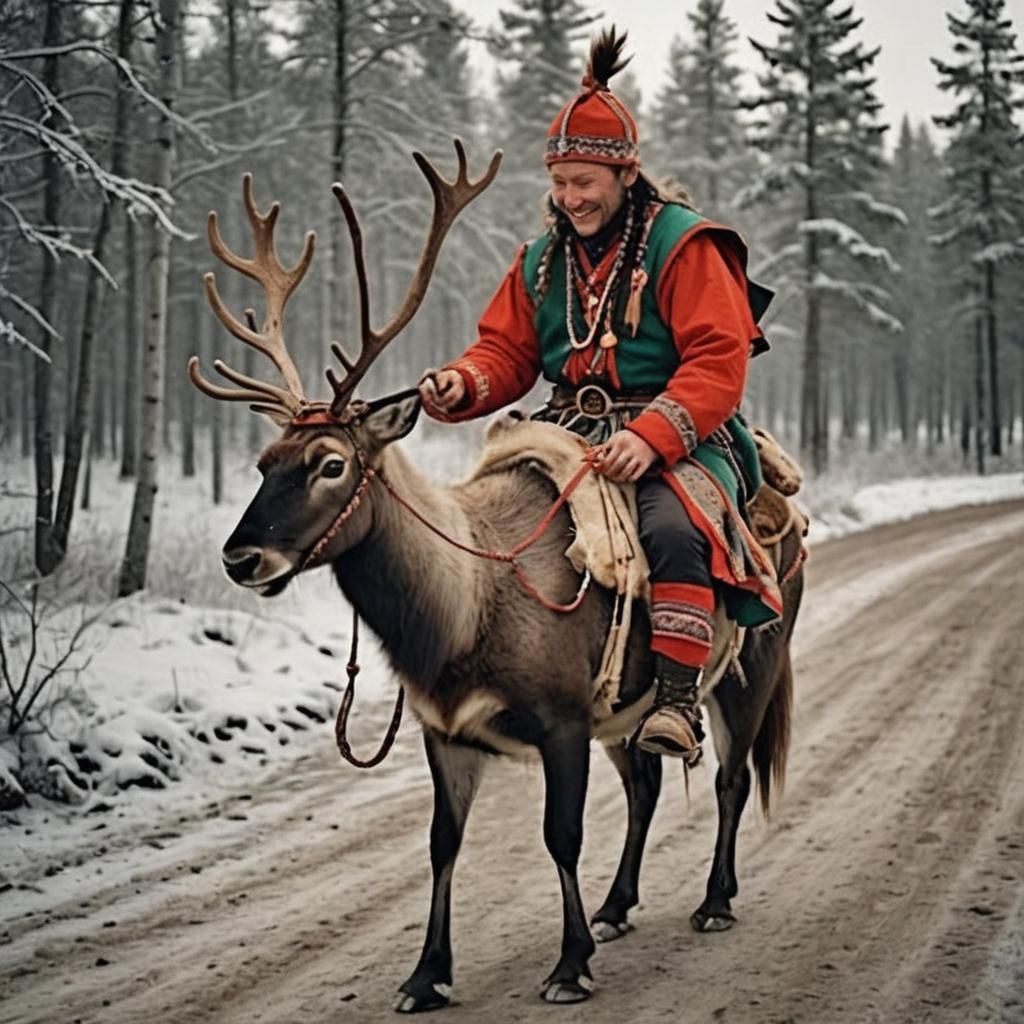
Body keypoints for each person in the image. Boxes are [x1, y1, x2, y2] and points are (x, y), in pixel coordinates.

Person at [418, 28, 781, 765]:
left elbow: (718, 359)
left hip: (684, 433)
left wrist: (652, 436)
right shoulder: (542, 262)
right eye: (559, 183)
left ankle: (679, 701)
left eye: (585, 184)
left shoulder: (687, 244)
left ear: (625, 176)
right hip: (564, 432)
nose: (570, 198)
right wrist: (464, 382)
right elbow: (508, 352)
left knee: (674, 530)